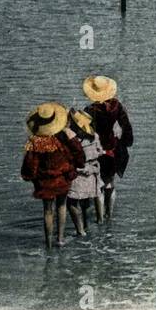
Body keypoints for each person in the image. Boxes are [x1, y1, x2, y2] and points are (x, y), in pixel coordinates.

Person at [20, 102, 85, 250]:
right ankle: (60, 239)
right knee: (61, 206)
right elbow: (78, 153)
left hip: (44, 180)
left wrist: (30, 176)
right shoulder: (62, 136)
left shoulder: (35, 141)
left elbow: (30, 164)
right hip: (62, 177)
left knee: (47, 211)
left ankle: (48, 243)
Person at [82, 75, 133, 220]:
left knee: (99, 184)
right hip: (113, 146)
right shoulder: (117, 106)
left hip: (97, 149)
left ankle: (100, 219)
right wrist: (125, 142)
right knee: (110, 182)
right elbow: (126, 126)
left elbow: (85, 131)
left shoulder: (90, 109)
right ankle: (109, 215)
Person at [65, 108, 105, 236]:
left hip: (78, 173)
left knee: (71, 202)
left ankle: (80, 230)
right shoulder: (94, 136)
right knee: (86, 201)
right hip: (92, 172)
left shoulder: (72, 139)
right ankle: (87, 226)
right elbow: (99, 152)